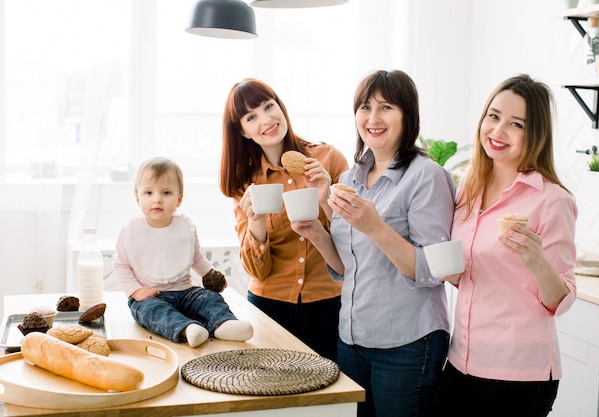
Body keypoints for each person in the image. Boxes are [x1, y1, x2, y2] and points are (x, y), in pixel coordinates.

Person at [292, 69, 456, 417]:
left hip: (408, 343)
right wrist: (317, 234)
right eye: (365, 107)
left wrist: (376, 227)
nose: (373, 118)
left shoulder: (427, 176)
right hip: (352, 338)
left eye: (386, 108)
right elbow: (346, 268)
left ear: (407, 114)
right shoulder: (349, 178)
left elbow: (433, 271)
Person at [428, 74, 578, 417]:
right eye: (493, 116)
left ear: (535, 134)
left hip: (519, 374)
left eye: (516, 124)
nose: (497, 131)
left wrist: (537, 260)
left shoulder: (551, 200)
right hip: (462, 359)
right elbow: (473, 274)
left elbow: (562, 298)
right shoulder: (468, 184)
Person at [219, 78, 349, 360]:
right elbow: (257, 273)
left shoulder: (328, 159)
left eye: (269, 106)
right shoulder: (245, 182)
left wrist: (325, 197)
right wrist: (255, 223)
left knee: (330, 398)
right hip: (269, 307)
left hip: (329, 304)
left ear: (280, 106)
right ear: (242, 131)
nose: (266, 119)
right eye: (251, 117)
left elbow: (354, 245)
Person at [113, 157, 253, 348]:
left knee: (209, 298)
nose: (157, 199)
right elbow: (120, 265)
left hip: (186, 292)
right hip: (153, 297)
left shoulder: (185, 227)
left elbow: (195, 257)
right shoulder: (131, 232)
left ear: (179, 198)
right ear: (137, 198)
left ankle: (223, 324)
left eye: (166, 192)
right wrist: (136, 291)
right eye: (148, 192)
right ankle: (188, 329)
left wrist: (210, 274)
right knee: (149, 311)